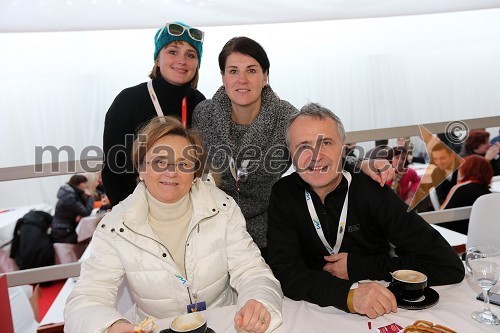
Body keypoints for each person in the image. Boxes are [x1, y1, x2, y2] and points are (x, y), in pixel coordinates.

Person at [64, 116, 283, 333]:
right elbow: (87, 298)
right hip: (155, 329)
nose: (172, 172)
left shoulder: (223, 208)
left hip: (225, 323)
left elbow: (252, 270)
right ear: (141, 169)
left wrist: (258, 300)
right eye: (160, 162)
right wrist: (111, 326)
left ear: (194, 173)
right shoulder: (115, 227)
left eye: (183, 163)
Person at [193, 36, 394, 255]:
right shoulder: (204, 114)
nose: (242, 80)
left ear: (265, 76)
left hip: (265, 228)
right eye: (233, 71)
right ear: (222, 76)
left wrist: (361, 163)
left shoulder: (286, 116)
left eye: (251, 70)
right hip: (212, 225)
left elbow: (316, 153)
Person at [266, 103, 465, 319]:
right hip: (311, 310)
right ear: (291, 155)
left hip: (381, 310)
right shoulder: (284, 194)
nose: (315, 155)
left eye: (326, 143)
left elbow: (447, 265)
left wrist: (362, 266)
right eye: (303, 146)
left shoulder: (372, 190)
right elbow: (285, 272)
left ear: (343, 148)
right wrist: (347, 296)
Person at [102, 22, 206, 207]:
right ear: (158, 59)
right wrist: (128, 212)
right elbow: (113, 168)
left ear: (197, 64)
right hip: (138, 206)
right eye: (173, 51)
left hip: (187, 205)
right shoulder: (129, 101)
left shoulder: (200, 104)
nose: (182, 60)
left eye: (191, 55)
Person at [440, 155, 494, 234]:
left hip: (454, 234)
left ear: (466, 169)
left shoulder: (460, 188)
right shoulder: (488, 193)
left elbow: (441, 216)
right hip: (479, 235)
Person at [52, 175, 94, 243]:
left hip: (65, 229)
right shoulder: (68, 197)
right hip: (64, 233)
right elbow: (86, 212)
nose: (86, 186)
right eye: (85, 183)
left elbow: (83, 209)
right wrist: (90, 197)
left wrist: (80, 213)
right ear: (80, 184)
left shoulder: (71, 194)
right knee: (90, 237)